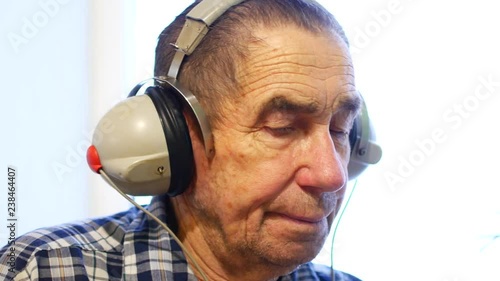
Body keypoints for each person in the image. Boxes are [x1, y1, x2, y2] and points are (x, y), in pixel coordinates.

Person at [0, 0, 366, 280]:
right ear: (176, 138)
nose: (332, 175)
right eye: (282, 127)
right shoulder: (46, 269)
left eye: (340, 130)